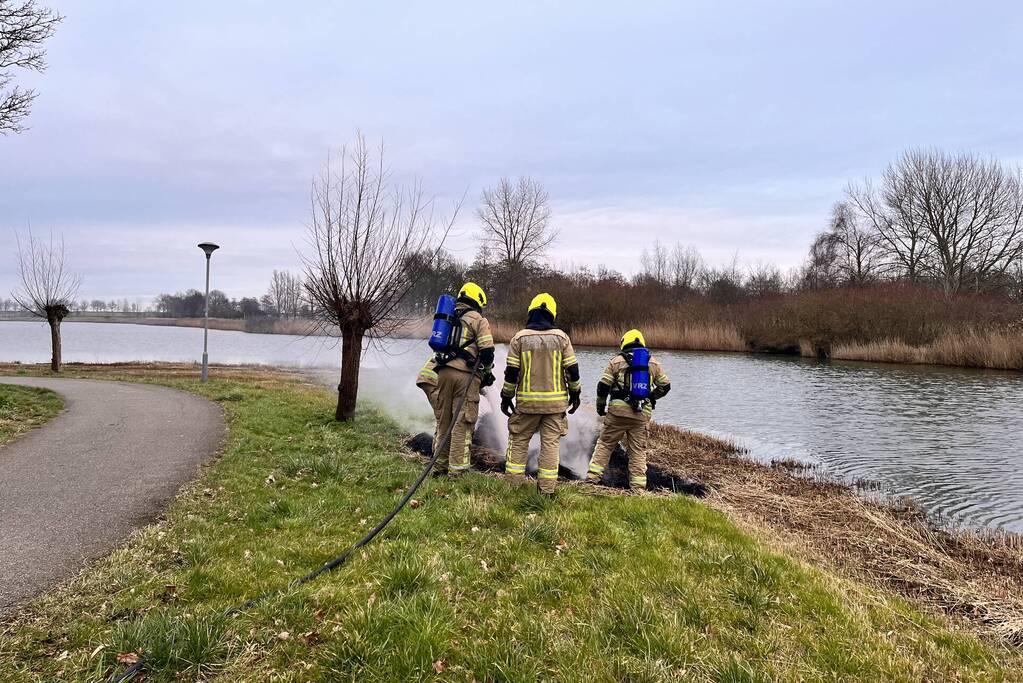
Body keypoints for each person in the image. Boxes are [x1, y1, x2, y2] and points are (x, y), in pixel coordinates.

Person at [501, 293, 581, 494]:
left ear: (531, 312)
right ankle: (546, 491)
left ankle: (513, 487)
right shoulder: (562, 338)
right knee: (550, 446)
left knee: (519, 442)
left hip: (527, 405)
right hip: (555, 407)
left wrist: (506, 396)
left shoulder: (519, 338)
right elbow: (572, 370)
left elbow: (511, 373)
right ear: (552, 314)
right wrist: (575, 394)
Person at [586, 329, 671, 490]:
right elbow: (665, 386)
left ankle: (592, 479)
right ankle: (638, 489)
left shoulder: (616, 361)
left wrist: (600, 407)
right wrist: (652, 397)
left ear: (624, 343)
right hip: (641, 415)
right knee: (638, 451)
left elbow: (603, 387)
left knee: (605, 444)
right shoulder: (653, 363)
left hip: (617, 413)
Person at [432, 282, 494, 476]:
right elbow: (487, 352)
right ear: (478, 300)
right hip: (465, 377)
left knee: (444, 422)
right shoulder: (478, 319)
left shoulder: (449, 317)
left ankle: (439, 467)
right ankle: (457, 472)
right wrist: (486, 373)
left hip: (442, 373)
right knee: (462, 424)